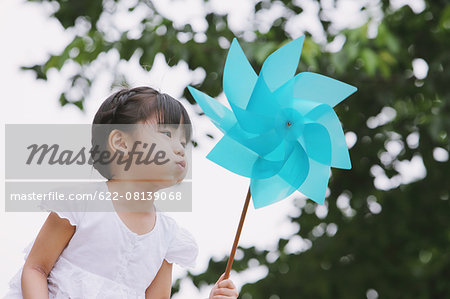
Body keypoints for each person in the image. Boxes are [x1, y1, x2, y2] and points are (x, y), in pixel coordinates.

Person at [4, 86, 239, 299]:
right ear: (121, 142)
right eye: (167, 134)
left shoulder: (168, 238)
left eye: (184, 141)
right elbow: (36, 268)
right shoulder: (80, 204)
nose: (180, 148)